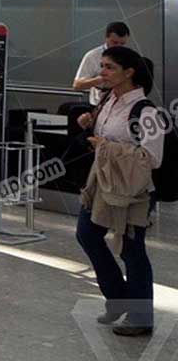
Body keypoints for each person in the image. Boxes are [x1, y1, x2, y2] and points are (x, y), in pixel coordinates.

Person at [75, 46, 162, 337]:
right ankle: (118, 298)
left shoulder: (146, 111)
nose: (102, 73)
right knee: (87, 233)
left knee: (131, 248)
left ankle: (140, 316)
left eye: (109, 67)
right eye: (102, 66)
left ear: (129, 72)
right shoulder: (107, 102)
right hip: (103, 182)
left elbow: (152, 158)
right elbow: (104, 135)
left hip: (133, 190)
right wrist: (89, 123)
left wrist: (106, 147)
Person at [74, 21, 130, 105]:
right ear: (106, 38)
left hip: (122, 105)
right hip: (98, 104)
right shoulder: (92, 56)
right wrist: (100, 79)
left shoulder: (129, 56)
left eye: (122, 44)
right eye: (114, 43)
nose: (118, 47)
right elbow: (77, 85)